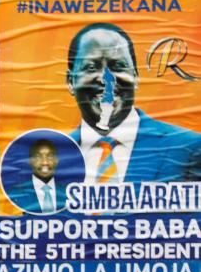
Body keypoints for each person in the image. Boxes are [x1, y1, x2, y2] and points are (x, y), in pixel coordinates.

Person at [64, 22, 201, 183]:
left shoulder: (190, 150)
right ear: (70, 81)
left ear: (135, 77)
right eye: (91, 67)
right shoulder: (49, 158)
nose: (106, 79)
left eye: (118, 66)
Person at [7, 137, 68, 214]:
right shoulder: (13, 194)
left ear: (57, 160)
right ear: (30, 161)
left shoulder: (68, 194)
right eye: (38, 157)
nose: (45, 162)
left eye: (50, 156)